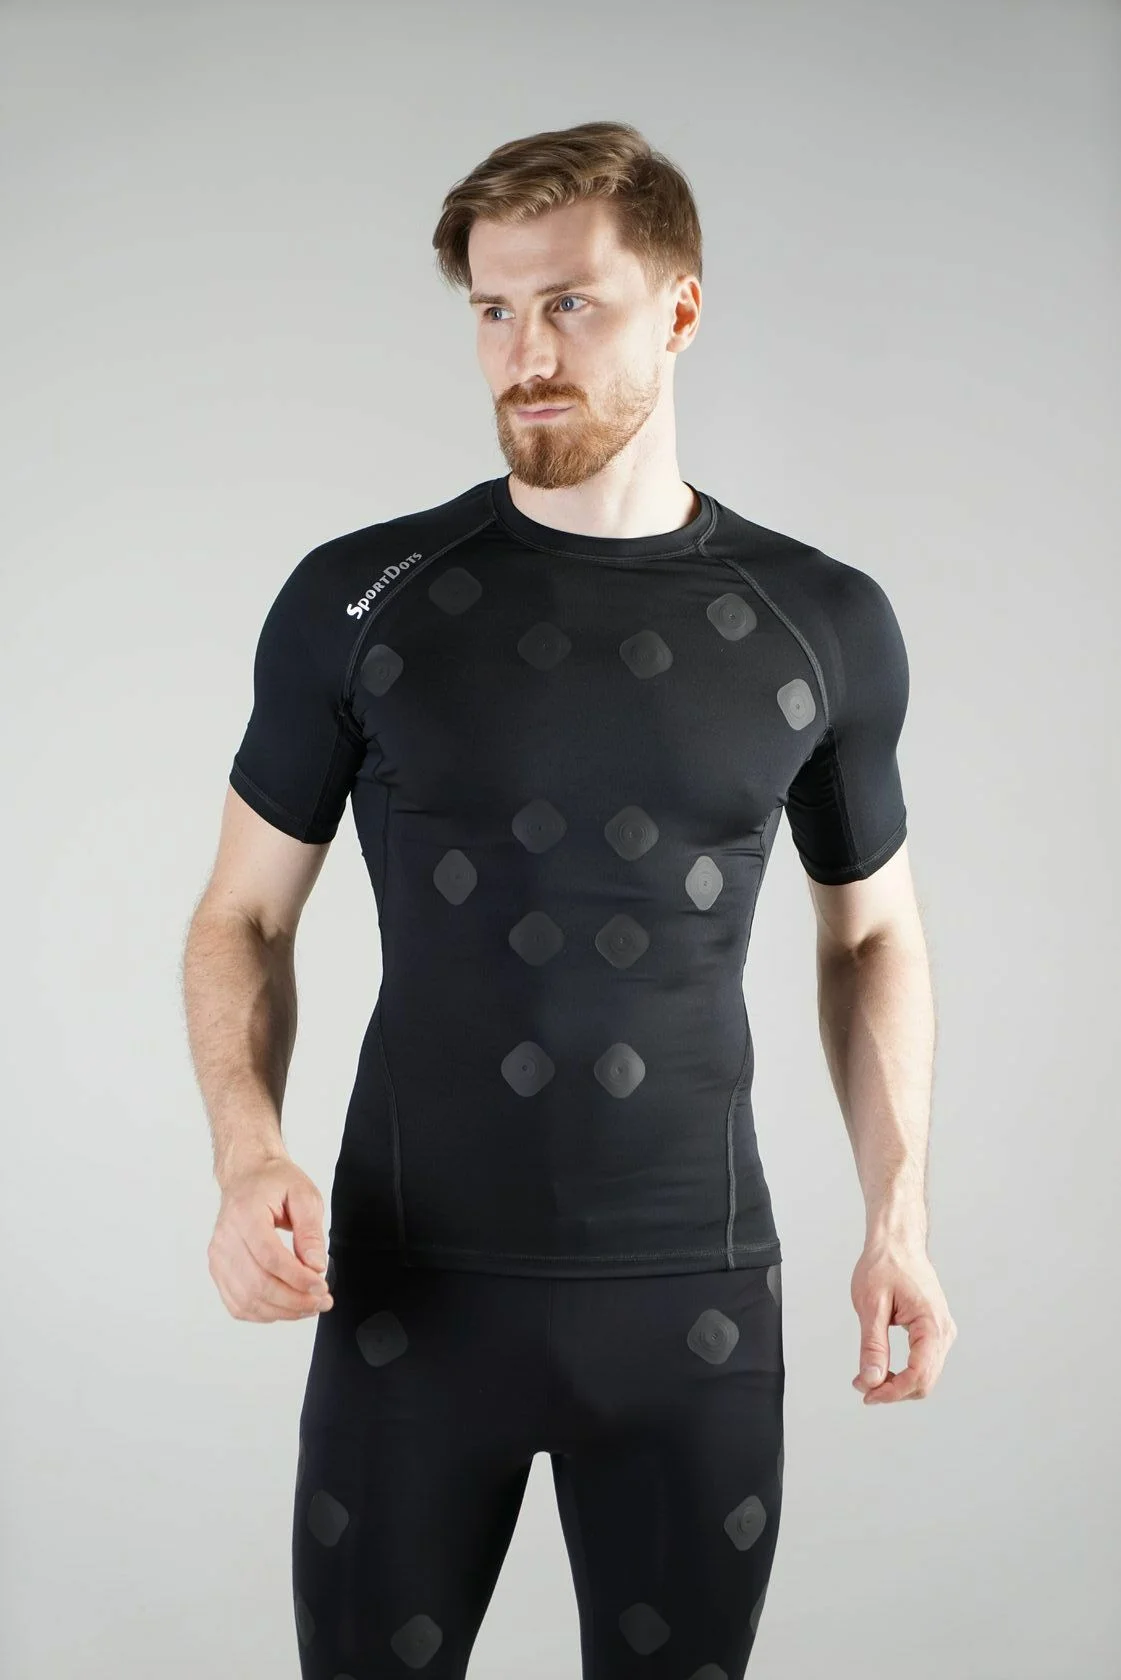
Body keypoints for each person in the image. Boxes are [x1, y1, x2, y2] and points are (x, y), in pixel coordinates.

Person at [183, 119, 956, 1679]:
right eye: (492, 309)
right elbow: (241, 920)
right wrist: (246, 1151)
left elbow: (871, 931)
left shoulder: (817, 621)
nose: (523, 356)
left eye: (570, 305)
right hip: (408, 1304)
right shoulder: (360, 599)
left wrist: (899, 1220)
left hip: (693, 1314)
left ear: (680, 308)